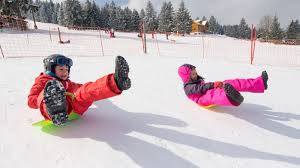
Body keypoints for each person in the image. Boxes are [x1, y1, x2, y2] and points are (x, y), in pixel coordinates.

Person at [28, 54, 131, 126]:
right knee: (47, 91)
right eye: (61, 69)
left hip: (74, 110)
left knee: (84, 91)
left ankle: (117, 82)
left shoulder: (69, 83)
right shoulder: (42, 81)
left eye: (67, 69)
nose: (65, 72)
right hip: (52, 114)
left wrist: (89, 87)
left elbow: (85, 88)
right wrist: (42, 98)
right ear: (50, 69)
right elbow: (31, 101)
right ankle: (55, 108)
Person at [178, 64, 268, 107]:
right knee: (214, 95)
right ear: (186, 77)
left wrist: (216, 85)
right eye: (193, 74)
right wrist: (213, 85)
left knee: (227, 83)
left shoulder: (196, 79)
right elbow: (200, 88)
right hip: (201, 100)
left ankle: (259, 83)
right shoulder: (188, 88)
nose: (196, 75)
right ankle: (233, 99)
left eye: (195, 72)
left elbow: (203, 87)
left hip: (206, 91)